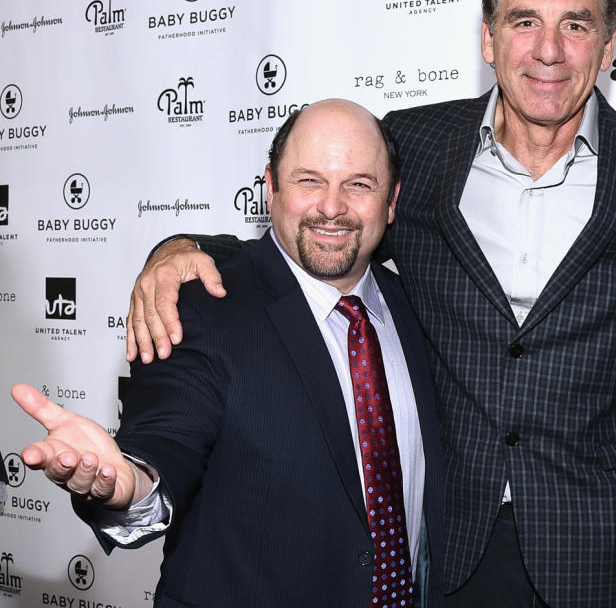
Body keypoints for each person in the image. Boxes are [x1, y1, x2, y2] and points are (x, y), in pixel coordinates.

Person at [123, 0, 616, 608]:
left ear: (607, 46)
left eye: (576, 24)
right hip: (452, 543)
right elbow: (322, 230)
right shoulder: (417, 146)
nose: (549, 49)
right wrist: (184, 251)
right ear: (489, 38)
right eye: (525, 21)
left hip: (602, 546)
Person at [12, 99, 445, 607]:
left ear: (391, 201)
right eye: (308, 180)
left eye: (359, 184)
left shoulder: (419, 307)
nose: (332, 206)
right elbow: (166, 439)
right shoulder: (201, 308)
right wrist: (128, 482)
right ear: (271, 188)